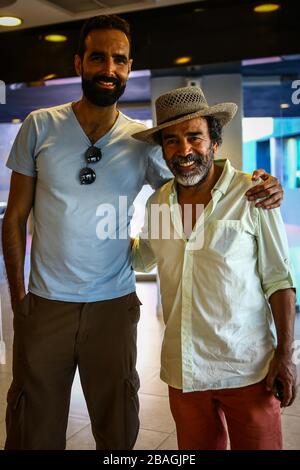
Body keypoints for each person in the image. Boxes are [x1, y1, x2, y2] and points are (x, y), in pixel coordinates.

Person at [2, 15, 283, 450]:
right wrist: (20, 301)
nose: (109, 69)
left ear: (129, 67)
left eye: (119, 60)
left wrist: (255, 184)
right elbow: (15, 216)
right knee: (33, 426)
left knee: (117, 428)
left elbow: (191, 182)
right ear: (80, 62)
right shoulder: (40, 125)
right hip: (47, 301)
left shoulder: (141, 141)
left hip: (114, 306)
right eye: (98, 58)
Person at [132, 86, 297, 450]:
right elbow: (142, 256)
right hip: (184, 369)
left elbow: (279, 280)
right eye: (172, 141)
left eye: (195, 137)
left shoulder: (252, 193)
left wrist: (285, 354)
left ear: (214, 142)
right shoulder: (159, 203)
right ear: (163, 150)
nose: (184, 150)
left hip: (248, 368)